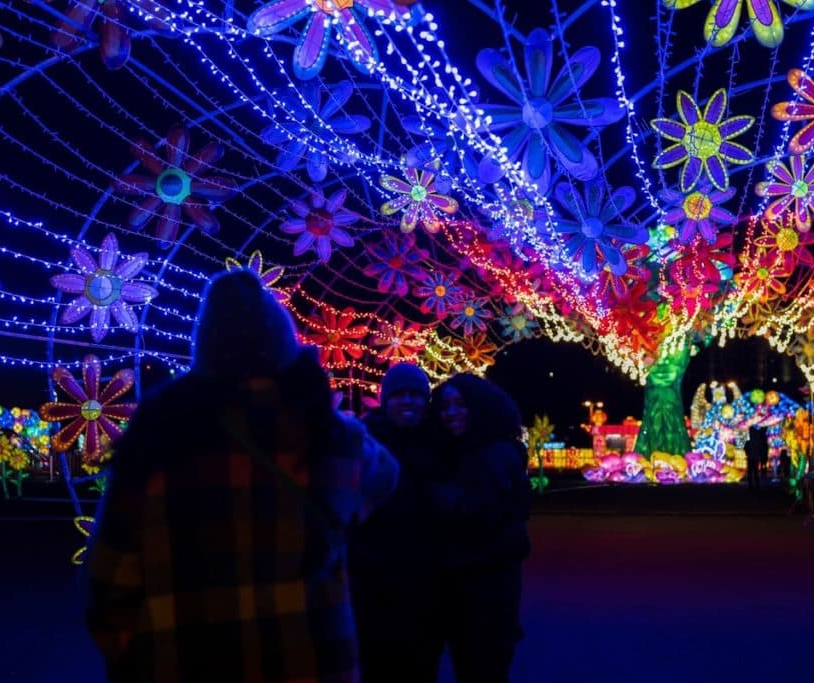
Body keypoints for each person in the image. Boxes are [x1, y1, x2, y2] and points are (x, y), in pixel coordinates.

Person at [84, 270, 398, 682]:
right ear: (284, 346)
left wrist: (130, 648)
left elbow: (108, 580)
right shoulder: (331, 439)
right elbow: (385, 476)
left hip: (184, 660)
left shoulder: (157, 437)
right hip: (307, 661)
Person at [348, 362, 446, 683]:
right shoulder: (364, 443)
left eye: (415, 395)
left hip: (426, 583)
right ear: (385, 399)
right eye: (399, 395)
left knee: (421, 663)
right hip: (373, 581)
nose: (407, 401)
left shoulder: (440, 443)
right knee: (376, 663)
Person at [431, 373, 531, 683]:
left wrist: (437, 495)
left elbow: (482, 514)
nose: (451, 413)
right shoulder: (467, 451)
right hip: (470, 593)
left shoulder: (495, 455)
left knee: (483, 670)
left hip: (486, 595)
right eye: (445, 406)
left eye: (461, 405)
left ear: (481, 407)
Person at [745, 426, 767, 490]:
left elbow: (746, 448)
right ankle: (755, 485)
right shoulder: (756, 441)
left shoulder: (750, 441)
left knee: (752, 472)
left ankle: (752, 485)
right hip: (755, 457)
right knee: (755, 472)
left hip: (752, 457)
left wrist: (747, 453)